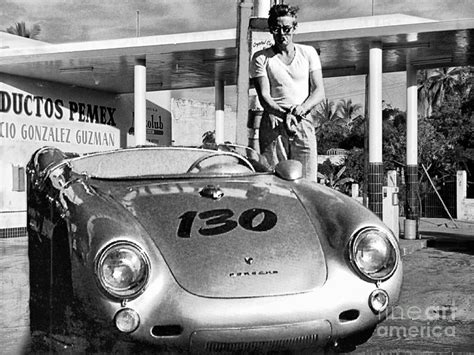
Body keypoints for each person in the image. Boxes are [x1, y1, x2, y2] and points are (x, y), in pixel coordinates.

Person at [250, 3, 325, 181]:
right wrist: (285, 115)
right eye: (277, 29)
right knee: (274, 181)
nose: (282, 34)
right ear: (271, 30)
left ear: (294, 28)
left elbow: (319, 91)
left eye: (286, 28)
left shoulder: (308, 53)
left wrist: (301, 110)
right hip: (274, 122)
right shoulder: (261, 58)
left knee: (307, 181)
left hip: (302, 120)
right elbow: (264, 97)